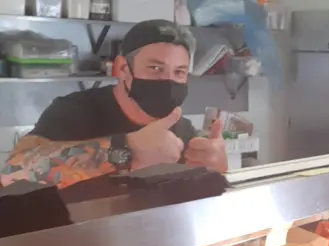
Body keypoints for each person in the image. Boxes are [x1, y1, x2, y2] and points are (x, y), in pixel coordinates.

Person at [0, 19, 227, 189]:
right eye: (155, 68)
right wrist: (127, 150)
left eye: (179, 72)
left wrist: (216, 171)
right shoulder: (74, 111)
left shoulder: (184, 130)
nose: (167, 81)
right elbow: (11, 173)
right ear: (122, 69)